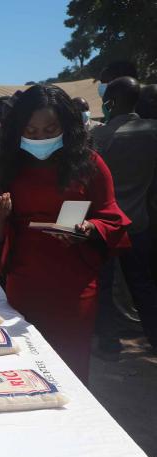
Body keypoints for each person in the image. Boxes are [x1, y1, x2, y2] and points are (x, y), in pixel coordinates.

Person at [0, 85, 131, 383]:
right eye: (31, 131)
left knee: (69, 366)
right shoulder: (8, 165)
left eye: (50, 129)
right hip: (24, 277)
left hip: (74, 282)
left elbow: (112, 218)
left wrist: (89, 228)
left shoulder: (89, 163)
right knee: (25, 363)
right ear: (18, 130)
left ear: (67, 127)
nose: (40, 138)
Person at [92, 77, 157, 357]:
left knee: (104, 287)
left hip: (108, 224)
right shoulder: (153, 131)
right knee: (142, 285)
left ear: (112, 102)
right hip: (140, 221)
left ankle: (108, 345)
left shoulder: (101, 135)